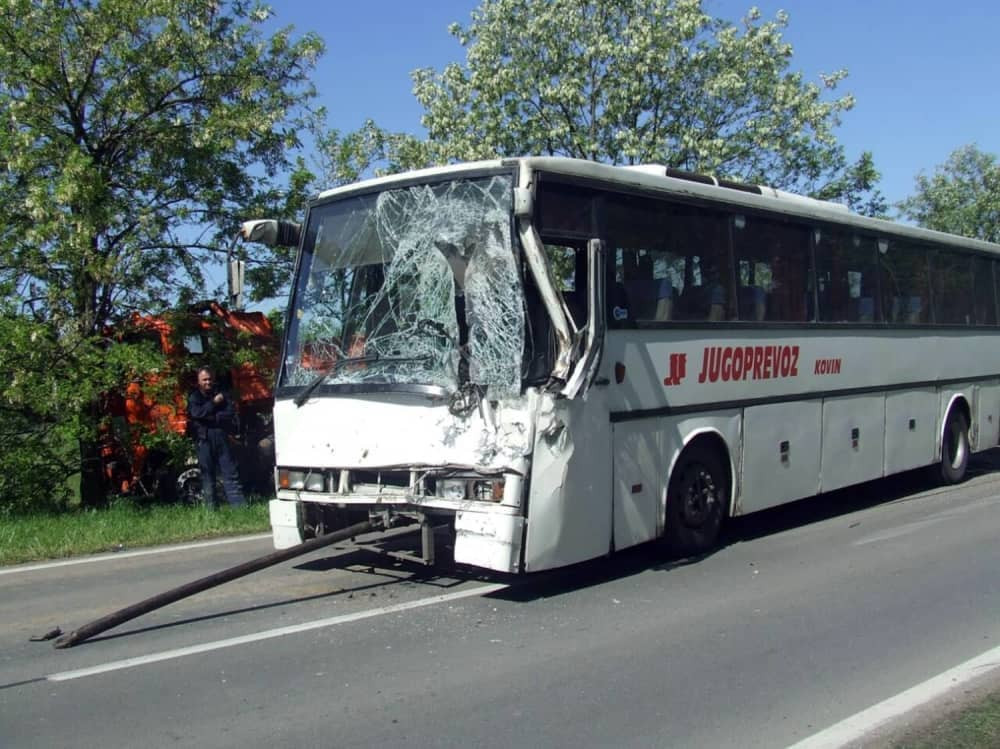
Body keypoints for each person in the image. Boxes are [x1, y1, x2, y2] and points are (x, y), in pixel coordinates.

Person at [186, 366, 245, 507]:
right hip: (204, 439)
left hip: (221, 436)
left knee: (230, 473)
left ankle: (239, 508)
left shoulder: (221, 394)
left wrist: (210, 417)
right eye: (204, 379)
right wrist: (214, 403)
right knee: (208, 476)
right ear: (199, 381)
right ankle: (211, 510)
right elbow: (197, 414)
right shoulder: (194, 397)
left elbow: (229, 413)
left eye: (210, 379)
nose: (208, 382)